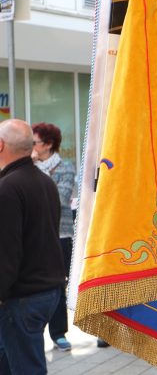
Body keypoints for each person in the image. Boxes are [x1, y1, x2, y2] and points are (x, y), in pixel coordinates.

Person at [0, 119, 65, 374]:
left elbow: (7, 252)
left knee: (27, 368)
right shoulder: (44, 182)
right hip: (46, 290)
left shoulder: (8, 188)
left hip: (22, 297)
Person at [30, 122, 75, 353]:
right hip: (34, 236)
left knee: (58, 284)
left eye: (34, 142)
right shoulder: (27, 167)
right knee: (33, 285)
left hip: (60, 234)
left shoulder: (65, 167)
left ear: (47, 145)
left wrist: (38, 172)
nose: (31, 146)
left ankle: (59, 333)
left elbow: (58, 198)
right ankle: (33, 333)